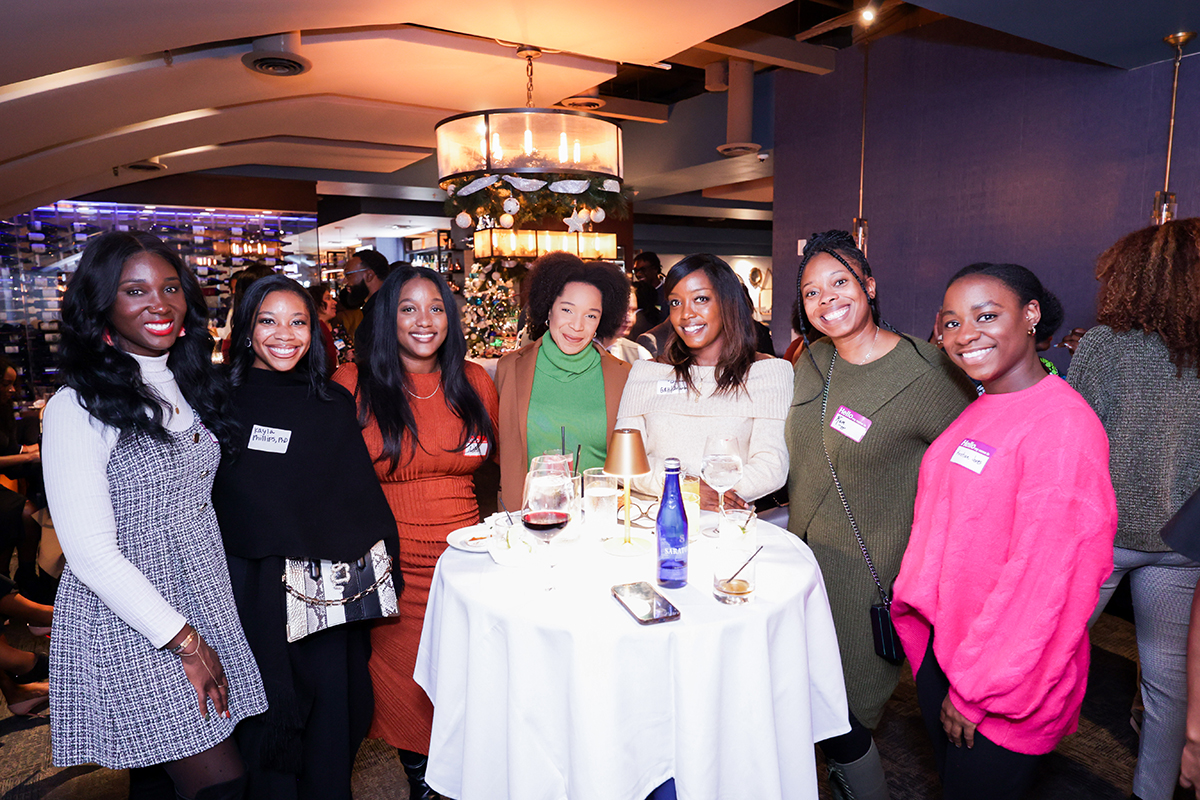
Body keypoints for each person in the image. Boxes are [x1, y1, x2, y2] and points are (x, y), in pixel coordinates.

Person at [42, 231, 266, 799]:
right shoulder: (77, 405)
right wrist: (186, 641)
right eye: (135, 290)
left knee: (165, 779)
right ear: (102, 304)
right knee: (222, 783)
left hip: (200, 595)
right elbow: (90, 554)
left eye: (170, 287)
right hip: (133, 617)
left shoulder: (191, 382)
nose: (159, 303)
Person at [893, 262, 1116, 800]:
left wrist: (977, 691)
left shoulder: (1061, 425)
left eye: (986, 316)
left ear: (1030, 314)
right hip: (950, 652)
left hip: (1001, 681)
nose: (965, 334)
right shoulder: (985, 404)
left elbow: (1047, 583)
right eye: (951, 322)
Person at [785, 231, 975, 799]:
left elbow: (969, 482)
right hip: (803, 567)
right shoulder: (811, 359)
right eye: (812, 292)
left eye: (839, 282)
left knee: (844, 712)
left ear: (868, 285)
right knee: (800, 699)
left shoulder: (929, 372)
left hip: (870, 573)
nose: (827, 299)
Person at [213, 275, 399, 799]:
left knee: (331, 721)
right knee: (258, 721)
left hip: (324, 590)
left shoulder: (331, 401)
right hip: (245, 588)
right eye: (268, 321)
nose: (284, 334)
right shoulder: (216, 401)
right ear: (246, 329)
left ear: (313, 331)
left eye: (298, 322)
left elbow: (358, 496)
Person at [333, 266, 497, 800]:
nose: (424, 320)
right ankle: (423, 785)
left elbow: (493, 469)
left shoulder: (474, 381)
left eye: (436, 308)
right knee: (406, 690)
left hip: (467, 565)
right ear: (388, 317)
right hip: (392, 569)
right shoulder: (353, 383)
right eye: (408, 308)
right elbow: (329, 479)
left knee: (468, 684)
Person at [1066, 219, 1200, 800]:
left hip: (1104, 536)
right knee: (1169, 687)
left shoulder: (1103, 345)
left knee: (1045, 653)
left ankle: (1008, 764)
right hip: (1182, 545)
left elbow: (1074, 439)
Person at [617, 253, 791, 509]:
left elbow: (771, 466)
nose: (686, 313)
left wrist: (715, 494)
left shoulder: (767, 373)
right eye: (676, 302)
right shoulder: (647, 373)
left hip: (727, 522)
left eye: (700, 299)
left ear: (728, 303)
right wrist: (686, 489)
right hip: (653, 521)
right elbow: (625, 460)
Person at [495, 252, 631, 510]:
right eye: (567, 310)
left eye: (591, 315)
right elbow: (497, 449)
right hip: (526, 518)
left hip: (599, 517)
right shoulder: (511, 368)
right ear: (549, 308)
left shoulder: (621, 376)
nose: (577, 326)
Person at [307, 281, 353, 371]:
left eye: (332, 298)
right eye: (328, 298)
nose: (334, 302)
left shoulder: (338, 328)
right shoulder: (309, 333)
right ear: (316, 303)